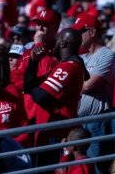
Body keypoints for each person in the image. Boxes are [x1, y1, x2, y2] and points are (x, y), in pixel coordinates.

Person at [24, 28, 89, 168]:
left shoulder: (69, 67)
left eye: (57, 41)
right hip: (47, 132)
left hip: (59, 135)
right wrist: (33, 62)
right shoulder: (61, 65)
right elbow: (28, 87)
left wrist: (39, 89)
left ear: (63, 43)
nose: (54, 45)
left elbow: (39, 96)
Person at [72, 13, 115, 173]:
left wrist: (68, 86)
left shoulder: (107, 55)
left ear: (91, 32)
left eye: (80, 32)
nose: (76, 36)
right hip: (77, 121)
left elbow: (88, 85)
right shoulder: (82, 57)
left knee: (97, 168)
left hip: (96, 121)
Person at [12, 9, 60, 122]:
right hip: (26, 112)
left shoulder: (59, 50)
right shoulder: (28, 51)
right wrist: (31, 84)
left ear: (56, 28)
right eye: (38, 24)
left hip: (47, 113)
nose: (40, 28)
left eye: (45, 25)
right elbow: (13, 78)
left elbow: (46, 73)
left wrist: (39, 44)